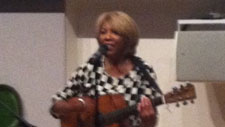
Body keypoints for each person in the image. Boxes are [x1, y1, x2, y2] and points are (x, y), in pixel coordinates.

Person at [50, 11, 162, 127]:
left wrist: (148, 121)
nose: (107, 37)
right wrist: (78, 105)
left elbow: (151, 121)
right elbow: (56, 104)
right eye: (103, 32)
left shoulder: (143, 72)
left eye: (115, 32)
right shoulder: (90, 68)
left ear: (128, 38)